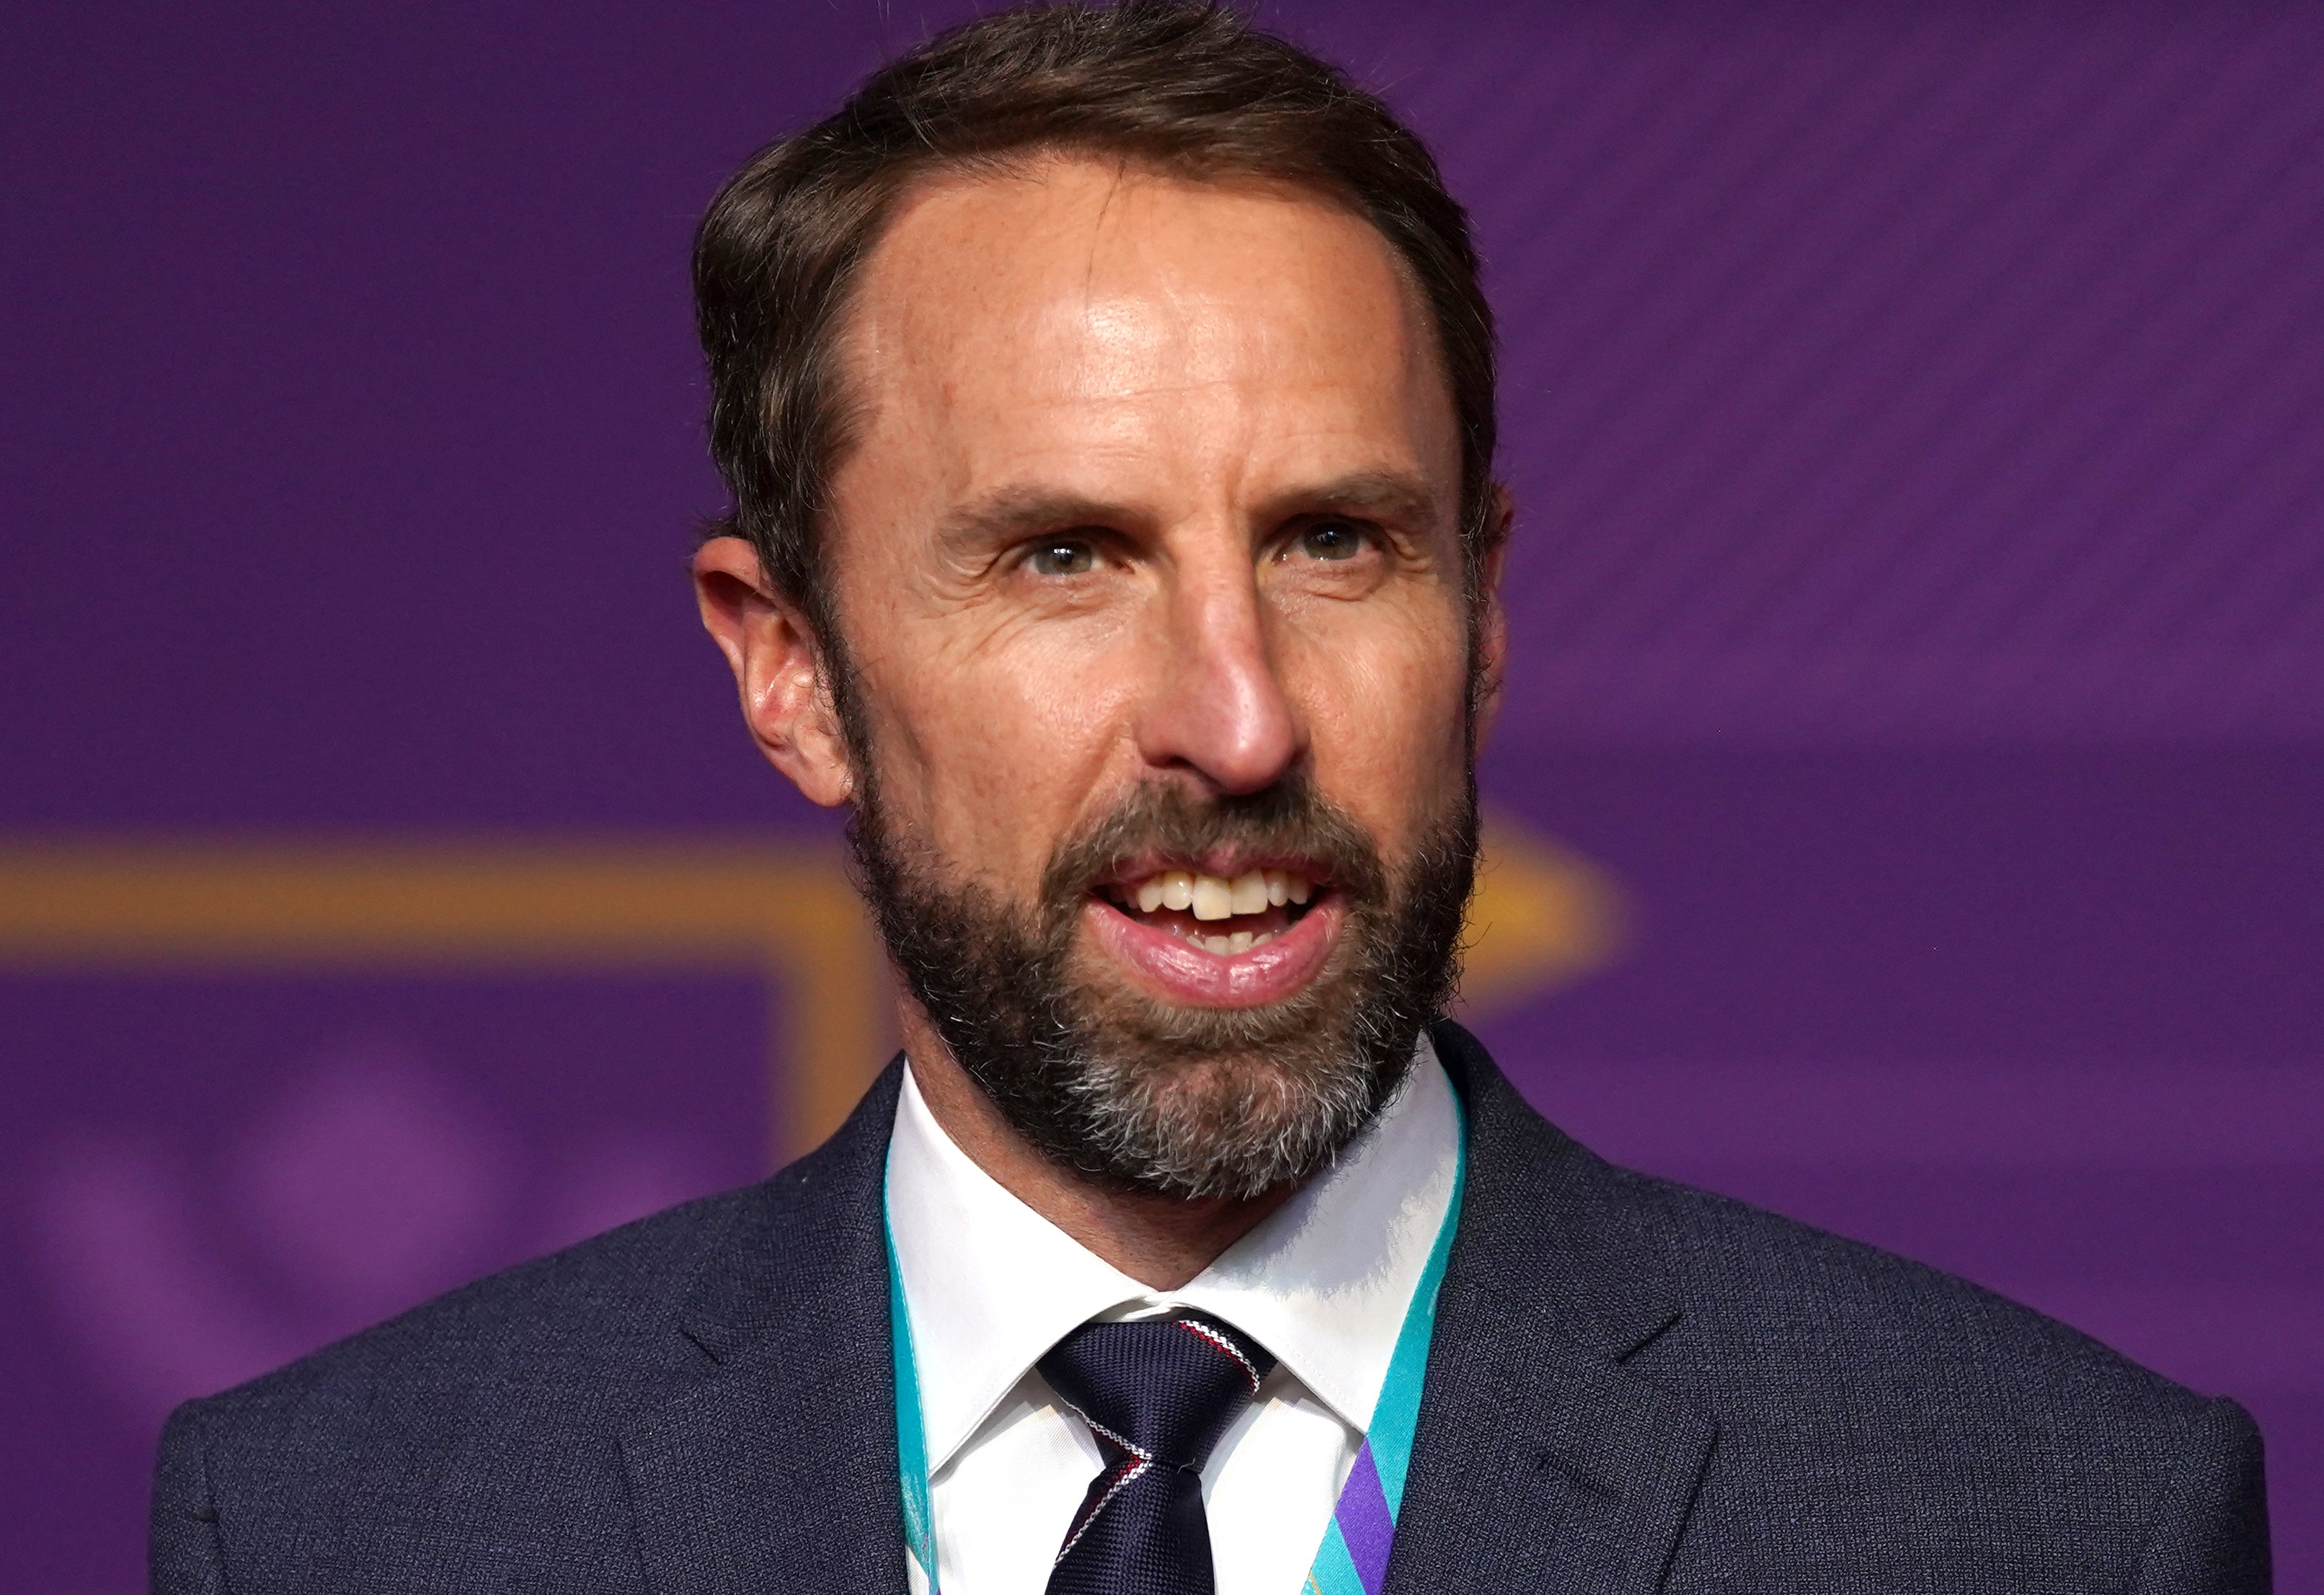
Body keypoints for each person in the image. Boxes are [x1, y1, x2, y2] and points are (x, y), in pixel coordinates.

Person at [150, 4, 2271, 1591]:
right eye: (1065, 557)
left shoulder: (2040, 1523)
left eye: (1337, 543)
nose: (1238, 723)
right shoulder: (353, 1526)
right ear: (787, 667)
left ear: (1489, 604)